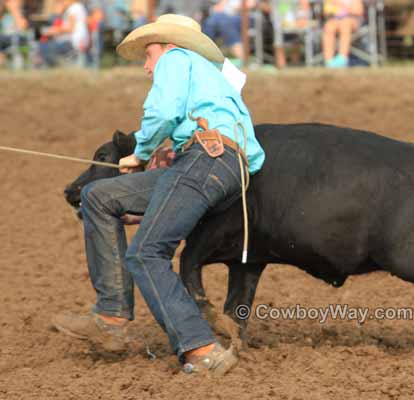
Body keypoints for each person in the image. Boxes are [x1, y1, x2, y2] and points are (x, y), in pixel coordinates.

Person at [51, 14, 265, 375]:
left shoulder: (177, 58)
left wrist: (141, 151)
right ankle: (111, 316)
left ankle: (201, 349)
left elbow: (163, 110)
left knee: (147, 252)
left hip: (206, 161)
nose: (147, 67)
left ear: (168, 46)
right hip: (213, 163)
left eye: (149, 56)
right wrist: (177, 151)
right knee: (98, 196)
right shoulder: (209, 76)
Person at [38, 0, 89, 67]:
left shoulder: (73, 8)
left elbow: (70, 28)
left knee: (44, 45)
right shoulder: (78, 7)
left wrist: (49, 31)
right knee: (42, 40)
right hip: (77, 41)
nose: (61, 1)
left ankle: (47, 66)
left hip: (72, 42)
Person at [202, 0, 250, 65]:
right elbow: (216, 9)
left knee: (218, 21)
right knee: (212, 21)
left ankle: (203, 55)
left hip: (244, 17)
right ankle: (240, 53)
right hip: (221, 18)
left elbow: (251, 4)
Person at [321, 0, 363, 68]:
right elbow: (326, 12)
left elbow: (358, 11)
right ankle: (328, 61)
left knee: (345, 25)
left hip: (352, 20)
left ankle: (342, 58)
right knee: (328, 27)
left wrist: (341, 5)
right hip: (335, 20)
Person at [0, 0, 29, 67]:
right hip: (6, 37)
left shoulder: (17, 9)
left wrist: (15, 12)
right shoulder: (4, 12)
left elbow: (22, 26)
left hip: (17, 36)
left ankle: (2, 62)